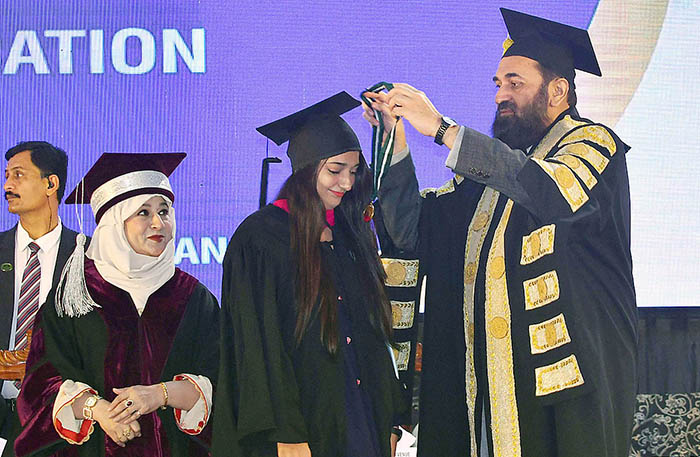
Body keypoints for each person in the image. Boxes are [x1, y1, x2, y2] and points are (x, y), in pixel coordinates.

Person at [362, 8, 637, 457]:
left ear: (558, 91)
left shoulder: (592, 144)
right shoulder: (489, 170)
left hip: (560, 390)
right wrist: (395, 140)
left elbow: (550, 194)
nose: (500, 95)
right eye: (497, 84)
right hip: (482, 389)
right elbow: (414, 231)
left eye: (515, 83)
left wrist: (445, 130)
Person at [213, 92, 407, 457]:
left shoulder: (351, 234)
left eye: (353, 171)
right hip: (302, 424)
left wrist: (390, 417)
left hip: (361, 416)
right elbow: (258, 345)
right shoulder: (259, 239)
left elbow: (371, 331)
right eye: (335, 171)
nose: (346, 183)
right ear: (304, 170)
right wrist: (286, 432)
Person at [14, 153, 219, 456]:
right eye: (144, 213)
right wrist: (99, 411)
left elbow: (224, 380)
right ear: (114, 222)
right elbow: (40, 384)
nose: (158, 223)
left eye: (165, 211)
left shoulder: (193, 296)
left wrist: (159, 395)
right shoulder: (75, 295)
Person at [0, 141, 80, 457]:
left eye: (18, 175)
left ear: (51, 183)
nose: (7, 185)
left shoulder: (86, 255)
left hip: (61, 420)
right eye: (6, 176)